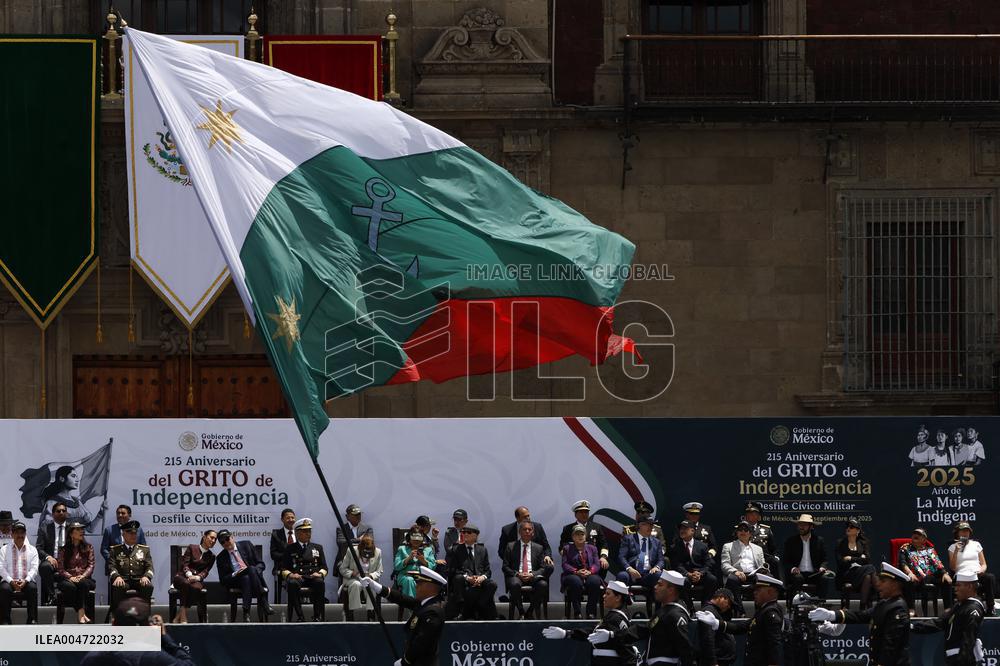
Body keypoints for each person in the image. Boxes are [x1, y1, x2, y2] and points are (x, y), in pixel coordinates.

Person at [810, 562, 911, 666]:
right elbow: (861, 616)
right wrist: (832, 615)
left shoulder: (898, 608)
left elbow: (890, 647)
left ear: (895, 585)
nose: (878, 584)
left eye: (883, 581)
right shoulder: (884, 604)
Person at [362, 565, 447, 666]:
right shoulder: (424, 604)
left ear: (430, 587)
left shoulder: (434, 611)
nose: (416, 586)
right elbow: (401, 598)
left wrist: (405, 661)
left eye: (419, 584)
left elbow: (422, 642)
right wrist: (375, 586)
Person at [541, 580, 639, 665]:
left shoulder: (615, 618)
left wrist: (567, 634)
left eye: (608, 594)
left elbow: (625, 650)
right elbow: (593, 632)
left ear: (618, 598)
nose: (604, 596)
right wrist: (566, 633)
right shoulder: (618, 616)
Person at [697, 574, 784, 666]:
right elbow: (739, 627)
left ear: (770, 592)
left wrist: (774, 664)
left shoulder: (770, 612)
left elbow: (774, 643)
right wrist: (717, 623)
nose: (754, 593)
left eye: (758, 590)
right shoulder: (763, 611)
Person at [80, 598, 194, 666]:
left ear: (114, 625)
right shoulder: (156, 658)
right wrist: (164, 637)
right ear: (148, 629)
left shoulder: (92, 658)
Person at [912, 571, 988, 665]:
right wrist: (912, 626)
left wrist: (962, 660)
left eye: (959, 585)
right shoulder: (959, 606)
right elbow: (939, 623)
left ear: (970, 586)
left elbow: (969, 639)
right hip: (953, 658)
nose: (955, 589)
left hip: (963, 659)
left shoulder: (973, 608)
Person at [630, 570, 696, 665]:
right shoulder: (665, 611)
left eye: (660, 585)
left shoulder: (675, 614)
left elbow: (685, 648)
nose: (655, 587)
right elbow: (646, 629)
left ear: (671, 590)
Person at [216, 529, 272, 622]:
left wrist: (253, 572)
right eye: (222, 542)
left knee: (248, 574)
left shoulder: (246, 545)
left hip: (251, 578)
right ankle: (264, 602)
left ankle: (246, 612)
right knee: (249, 570)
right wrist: (235, 574)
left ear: (232, 537)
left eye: (227, 539)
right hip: (236, 580)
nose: (226, 542)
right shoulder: (220, 557)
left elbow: (261, 564)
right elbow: (223, 580)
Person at [446, 524, 497, 620]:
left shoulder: (482, 550)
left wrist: (482, 578)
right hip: (465, 578)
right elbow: (453, 570)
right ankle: (462, 610)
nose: (465, 534)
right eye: (463, 532)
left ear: (476, 535)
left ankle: (480, 606)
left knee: (492, 584)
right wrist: (468, 578)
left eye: (468, 532)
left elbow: (488, 570)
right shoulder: (456, 549)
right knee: (458, 578)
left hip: (479, 578)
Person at [502, 521, 552, 619]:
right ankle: (521, 611)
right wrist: (517, 574)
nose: (527, 531)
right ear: (519, 532)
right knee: (514, 584)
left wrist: (532, 574)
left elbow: (543, 568)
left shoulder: (539, 548)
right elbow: (505, 567)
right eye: (525, 529)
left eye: (530, 530)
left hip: (532, 576)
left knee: (543, 585)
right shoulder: (510, 546)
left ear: (533, 532)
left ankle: (530, 611)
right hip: (517, 576)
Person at [280, 518, 327, 622]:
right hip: (298, 577)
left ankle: (317, 616)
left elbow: (324, 567)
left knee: (320, 582)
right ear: (297, 533)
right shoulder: (290, 548)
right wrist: (291, 575)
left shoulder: (317, 547)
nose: (308, 534)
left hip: (312, 577)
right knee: (292, 584)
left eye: (309, 531)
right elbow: (283, 568)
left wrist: (319, 573)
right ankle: (300, 616)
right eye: (305, 531)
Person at [38, 465, 107, 534]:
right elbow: (46, 529)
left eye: (77, 476)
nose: (77, 480)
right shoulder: (52, 503)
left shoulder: (78, 503)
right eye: (73, 476)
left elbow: (90, 529)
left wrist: (100, 514)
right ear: (62, 478)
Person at [899, 527, 953, 612]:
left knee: (946, 580)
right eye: (914, 534)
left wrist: (944, 573)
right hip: (916, 577)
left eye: (918, 535)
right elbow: (903, 563)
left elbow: (937, 563)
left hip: (930, 576)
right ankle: (911, 609)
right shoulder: (905, 548)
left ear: (924, 540)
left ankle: (948, 609)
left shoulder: (929, 549)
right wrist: (909, 573)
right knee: (908, 581)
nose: (915, 536)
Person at [948, 521, 996, 615]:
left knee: (990, 577)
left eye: (967, 531)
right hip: (962, 575)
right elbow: (953, 567)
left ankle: (990, 608)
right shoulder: (952, 547)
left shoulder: (976, 544)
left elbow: (984, 564)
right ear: (957, 533)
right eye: (962, 531)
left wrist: (981, 570)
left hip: (976, 573)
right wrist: (957, 550)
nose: (965, 533)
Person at [171, 529, 217, 624]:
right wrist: (189, 575)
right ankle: (183, 616)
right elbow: (185, 564)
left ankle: (178, 616)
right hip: (182, 577)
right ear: (204, 537)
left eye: (215, 539)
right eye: (211, 538)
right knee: (186, 583)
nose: (213, 541)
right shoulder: (192, 548)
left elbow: (206, 571)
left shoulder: (212, 556)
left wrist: (197, 578)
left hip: (196, 580)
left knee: (196, 588)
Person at [720, 521, 765, 617]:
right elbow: (725, 565)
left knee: (766, 578)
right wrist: (735, 571)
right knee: (732, 579)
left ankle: (761, 611)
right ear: (737, 533)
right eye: (740, 530)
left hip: (753, 574)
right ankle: (740, 611)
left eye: (746, 529)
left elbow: (762, 565)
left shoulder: (758, 548)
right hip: (737, 574)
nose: (743, 531)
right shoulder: (728, 546)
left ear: (750, 533)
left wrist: (763, 569)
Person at [782, 513, 829, 601]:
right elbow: (785, 561)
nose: (801, 527)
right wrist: (793, 568)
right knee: (798, 578)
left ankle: (821, 604)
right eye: (800, 524)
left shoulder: (819, 541)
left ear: (811, 527)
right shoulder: (791, 541)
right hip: (798, 574)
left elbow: (824, 559)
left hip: (814, 574)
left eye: (804, 525)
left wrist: (823, 567)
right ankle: (796, 604)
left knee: (824, 578)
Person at [108, 520, 153, 609]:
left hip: (139, 579)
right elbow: (111, 566)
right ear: (123, 534)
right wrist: (117, 576)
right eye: (130, 533)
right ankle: (117, 614)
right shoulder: (115, 550)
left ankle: (144, 613)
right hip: (123, 580)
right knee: (118, 585)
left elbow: (150, 566)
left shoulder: (144, 550)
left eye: (135, 533)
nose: (133, 535)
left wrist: (146, 576)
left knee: (148, 586)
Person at [0, 520, 39, 624]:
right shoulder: (4, 549)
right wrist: (11, 581)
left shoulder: (32, 549)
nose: (20, 535)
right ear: (12, 534)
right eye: (17, 532)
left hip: (26, 581)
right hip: (9, 581)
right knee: (4, 589)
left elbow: (35, 568)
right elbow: (1, 568)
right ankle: (5, 619)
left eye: (22, 533)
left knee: (32, 588)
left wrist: (26, 581)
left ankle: (32, 619)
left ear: (25, 534)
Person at [671, 519, 717, 606]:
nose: (682, 531)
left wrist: (700, 573)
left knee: (712, 579)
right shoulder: (676, 546)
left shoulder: (702, 546)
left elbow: (708, 563)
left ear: (692, 531)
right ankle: (690, 607)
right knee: (683, 582)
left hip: (700, 574)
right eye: (681, 529)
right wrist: (688, 574)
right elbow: (677, 565)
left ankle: (705, 606)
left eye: (685, 529)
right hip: (685, 575)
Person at [57, 520, 96, 623]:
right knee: (70, 587)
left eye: (82, 529)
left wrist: (83, 576)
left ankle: (80, 612)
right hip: (68, 579)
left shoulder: (88, 547)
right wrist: (70, 577)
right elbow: (60, 568)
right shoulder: (63, 549)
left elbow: (91, 565)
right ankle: (81, 611)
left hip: (84, 579)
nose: (81, 531)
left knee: (83, 584)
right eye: (78, 529)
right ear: (71, 534)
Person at [338, 532, 383, 620]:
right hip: (353, 578)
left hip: (369, 579)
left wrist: (371, 576)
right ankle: (353, 613)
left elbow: (379, 570)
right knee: (356, 585)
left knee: (371, 587)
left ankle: (371, 614)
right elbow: (342, 569)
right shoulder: (351, 551)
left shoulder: (378, 552)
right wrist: (352, 573)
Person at [616, 516, 664, 597]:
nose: (651, 527)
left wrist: (657, 567)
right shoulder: (628, 539)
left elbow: (661, 560)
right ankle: (622, 606)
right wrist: (629, 569)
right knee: (622, 576)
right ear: (640, 526)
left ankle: (658, 609)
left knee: (658, 575)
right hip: (631, 573)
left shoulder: (656, 542)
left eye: (652, 525)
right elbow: (621, 557)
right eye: (648, 525)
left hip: (648, 574)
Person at [835, 517, 877, 608]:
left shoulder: (863, 543)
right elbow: (841, 562)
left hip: (860, 573)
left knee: (867, 576)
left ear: (858, 530)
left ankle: (862, 606)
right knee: (871, 568)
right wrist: (860, 558)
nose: (848, 528)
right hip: (846, 574)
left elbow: (867, 559)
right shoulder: (840, 543)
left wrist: (850, 558)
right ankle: (881, 595)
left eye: (851, 527)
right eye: (847, 526)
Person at [563, 524, 603, 619]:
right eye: (577, 534)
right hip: (573, 574)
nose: (580, 536)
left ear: (586, 536)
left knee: (595, 581)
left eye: (582, 534)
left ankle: (591, 612)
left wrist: (590, 571)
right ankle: (577, 612)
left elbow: (597, 564)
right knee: (575, 582)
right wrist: (576, 571)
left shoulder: (592, 548)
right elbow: (565, 565)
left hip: (589, 573)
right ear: (573, 537)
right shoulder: (567, 548)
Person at [559, 500, 610, 572]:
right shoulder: (568, 529)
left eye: (586, 512)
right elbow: (562, 546)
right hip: (575, 562)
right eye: (581, 512)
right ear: (575, 514)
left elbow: (604, 545)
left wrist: (603, 557)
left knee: (603, 564)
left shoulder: (596, 527)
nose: (584, 514)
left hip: (594, 561)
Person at [36, 499, 70, 605]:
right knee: (44, 567)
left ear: (67, 513)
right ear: (53, 514)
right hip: (52, 561)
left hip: (68, 562)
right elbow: (39, 547)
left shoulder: (73, 528)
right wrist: (48, 557)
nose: (61, 513)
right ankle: (52, 595)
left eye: (63, 511)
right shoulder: (45, 527)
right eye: (58, 511)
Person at [100, 505, 147, 575]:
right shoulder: (109, 530)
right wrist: (114, 560)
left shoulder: (138, 530)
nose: (120, 515)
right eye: (118, 513)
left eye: (123, 513)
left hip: (135, 569)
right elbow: (104, 549)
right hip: (115, 569)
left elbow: (143, 548)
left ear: (130, 515)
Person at [695, 588, 737, 666]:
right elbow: (708, 639)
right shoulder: (709, 612)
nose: (729, 607)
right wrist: (713, 662)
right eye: (729, 602)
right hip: (716, 661)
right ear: (720, 597)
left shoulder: (715, 611)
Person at [741, 502, 779, 578]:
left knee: (774, 562)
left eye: (753, 514)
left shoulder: (766, 530)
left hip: (763, 560)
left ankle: (778, 587)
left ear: (758, 517)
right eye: (748, 514)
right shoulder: (739, 529)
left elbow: (773, 549)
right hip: (745, 559)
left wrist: (775, 557)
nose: (750, 516)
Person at [394, 530, 436, 598]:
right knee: (409, 580)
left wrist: (424, 561)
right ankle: (410, 605)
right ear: (409, 539)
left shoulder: (428, 550)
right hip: (405, 575)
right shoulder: (402, 549)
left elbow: (433, 566)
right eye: (414, 538)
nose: (416, 540)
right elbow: (397, 566)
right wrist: (408, 559)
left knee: (431, 583)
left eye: (418, 538)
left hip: (423, 576)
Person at [335, 504, 372, 570]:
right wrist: (359, 540)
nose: (358, 516)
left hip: (363, 561)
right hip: (345, 561)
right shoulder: (341, 529)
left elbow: (369, 544)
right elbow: (342, 544)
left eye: (359, 514)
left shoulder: (367, 528)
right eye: (355, 515)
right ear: (347, 516)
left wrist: (350, 542)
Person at [269, 508, 296, 577]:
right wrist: (289, 556)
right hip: (283, 567)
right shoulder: (276, 534)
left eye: (292, 517)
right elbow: (273, 554)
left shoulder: (300, 532)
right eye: (288, 518)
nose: (290, 520)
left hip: (299, 567)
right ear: (282, 520)